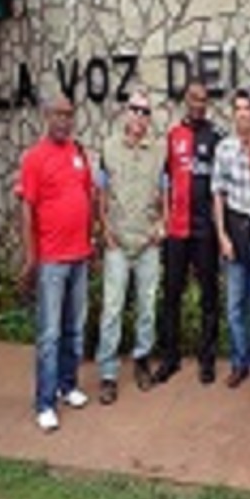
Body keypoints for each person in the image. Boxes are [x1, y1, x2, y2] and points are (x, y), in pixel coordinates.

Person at [16, 93, 92, 432]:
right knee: (49, 334)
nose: (64, 120)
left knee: (74, 327)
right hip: (51, 259)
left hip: (80, 255)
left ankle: (68, 385)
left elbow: (86, 196)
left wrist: (91, 242)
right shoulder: (34, 158)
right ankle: (45, 403)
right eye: (58, 114)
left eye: (69, 114)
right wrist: (30, 256)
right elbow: (27, 209)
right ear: (46, 116)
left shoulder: (78, 153)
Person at [154, 78, 224, 385]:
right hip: (177, 230)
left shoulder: (216, 137)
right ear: (186, 100)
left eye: (203, 99)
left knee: (209, 296)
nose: (198, 104)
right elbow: (164, 182)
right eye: (194, 98)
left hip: (205, 231)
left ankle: (207, 359)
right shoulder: (173, 136)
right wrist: (164, 218)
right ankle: (170, 357)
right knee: (172, 295)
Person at [95, 89, 164, 405]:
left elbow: (166, 192)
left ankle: (141, 359)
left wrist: (162, 224)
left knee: (147, 307)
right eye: (135, 109)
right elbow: (100, 193)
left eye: (145, 111)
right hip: (118, 243)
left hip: (147, 242)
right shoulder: (108, 148)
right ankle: (108, 373)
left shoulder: (158, 152)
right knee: (112, 308)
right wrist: (104, 230)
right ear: (126, 112)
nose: (139, 116)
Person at [212, 89, 250, 388]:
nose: (243, 114)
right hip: (234, 235)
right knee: (234, 305)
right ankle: (238, 362)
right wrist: (222, 235)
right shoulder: (224, 149)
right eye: (238, 109)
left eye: (248, 108)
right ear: (233, 114)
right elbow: (218, 195)